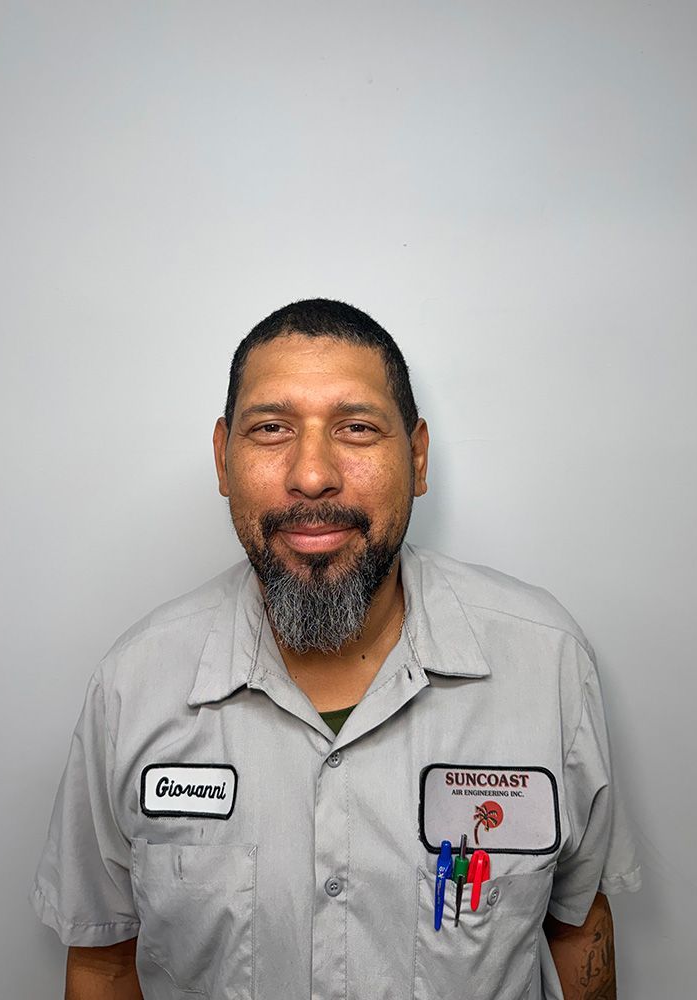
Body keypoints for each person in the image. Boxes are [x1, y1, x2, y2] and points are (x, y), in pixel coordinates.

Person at [32, 298, 640, 1000]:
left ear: (416, 457)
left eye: (356, 428)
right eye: (271, 429)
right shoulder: (133, 685)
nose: (312, 474)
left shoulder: (548, 665)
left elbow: (577, 925)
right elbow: (105, 958)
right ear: (223, 459)